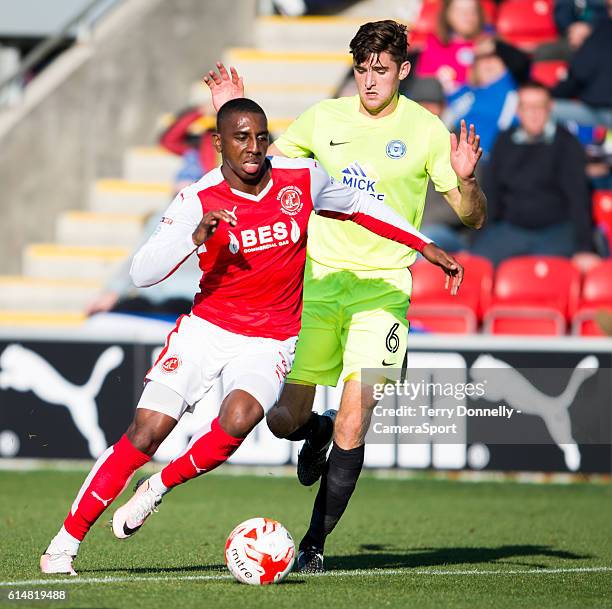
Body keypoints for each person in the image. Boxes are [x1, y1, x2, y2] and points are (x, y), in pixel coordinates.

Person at [39, 98, 463, 576]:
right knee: (147, 431)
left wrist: (424, 245)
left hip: (271, 339)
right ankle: (63, 544)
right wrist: (194, 238)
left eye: (261, 136)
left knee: (240, 418)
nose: (254, 147)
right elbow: (141, 271)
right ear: (218, 143)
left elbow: (362, 206)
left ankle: (158, 487)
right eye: (241, 137)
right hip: (206, 330)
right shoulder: (197, 199)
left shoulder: (300, 178)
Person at [205, 20, 486, 573]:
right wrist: (231, 111)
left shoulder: (428, 132)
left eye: (381, 70)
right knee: (282, 419)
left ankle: (312, 545)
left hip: (383, 291)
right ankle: (316, 428)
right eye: (361, 69)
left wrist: (466, 180)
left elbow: (471, 218)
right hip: (316, 284)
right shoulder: (323, 117)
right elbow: (258, 170)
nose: (369, 80)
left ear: (404, 71)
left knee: (358, 419)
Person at [472, 81, 598, 267]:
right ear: (518, 111)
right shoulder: (503, 141)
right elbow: (491, 194)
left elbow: (579, 199)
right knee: (475, 266)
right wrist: (479, 238)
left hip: (557, 232)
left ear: (550, 108)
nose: (533, 113)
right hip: (511, 231)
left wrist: (585, 248)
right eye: (527, 107)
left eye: (539, 106)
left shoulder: (567, 143)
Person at [551, 1, 612, 128]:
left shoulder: (603, 29)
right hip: (599, 112)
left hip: (600, 113)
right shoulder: (602, 27)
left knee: (546, 110)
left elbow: (580, 73)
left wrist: (550, 96)